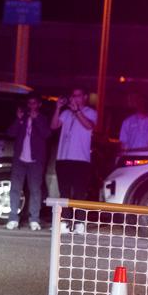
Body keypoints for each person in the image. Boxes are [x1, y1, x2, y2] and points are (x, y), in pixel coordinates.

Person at [52, 87, 97, 233]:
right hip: (63, 157)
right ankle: (65, 221)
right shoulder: (66, 113)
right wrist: (58, 107)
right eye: (73, 95)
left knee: (79, 192)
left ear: (85, 97)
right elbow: (53, 126)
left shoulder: (91, 112)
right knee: (64, 191)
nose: (74, 98)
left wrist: (77, 111)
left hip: (81, 159)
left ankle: (79, 222)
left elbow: (89, 126)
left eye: (77, 95)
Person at [6, 96, 50, 231]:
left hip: (35, 160)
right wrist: (18, 119)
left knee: (35, 190)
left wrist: (36, 119)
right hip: (20, 159)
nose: (31, 105)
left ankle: (34, 219)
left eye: (34, 103)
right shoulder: (22, 118)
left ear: (39, 104)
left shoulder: (42, 118)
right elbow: (10, 133)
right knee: (15, 189)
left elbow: (47, 134)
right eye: (29, 103)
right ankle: (13, 218)